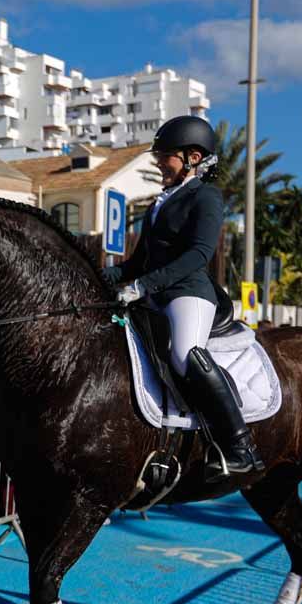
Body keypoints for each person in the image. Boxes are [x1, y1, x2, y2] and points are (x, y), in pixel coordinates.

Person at [103, 115, 264, 480]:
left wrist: (144, 286)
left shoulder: (206, 196)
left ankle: (241, 447)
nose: (159, 162)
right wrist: (90, 274)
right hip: (152, 293)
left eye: (166, 156)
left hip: (188, 292)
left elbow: (198, 254)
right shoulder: (159, 203)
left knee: (184, 352)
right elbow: (135, 263)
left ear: (193, 157)